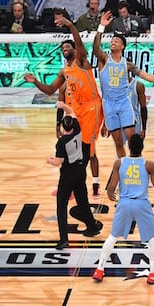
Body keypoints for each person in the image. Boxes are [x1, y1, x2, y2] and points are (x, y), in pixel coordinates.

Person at [25, 13, 104, 196]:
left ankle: (91, 186)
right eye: (63, 47)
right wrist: (35, 81)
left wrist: (69, 24)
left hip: (92, 107)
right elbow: (50, 90)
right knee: (73, 147)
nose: (65, 49)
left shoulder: (81, 61)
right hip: (76, 109)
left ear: (75, 50)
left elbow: (79, 43)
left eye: (68, 46)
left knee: (87, 151)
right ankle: (72, 188)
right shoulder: (64, 71)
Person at [91, 134, 154, 284]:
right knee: (152, 238)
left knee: (113, 236)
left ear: (128, 147)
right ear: (142, 147)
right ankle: (153, 272)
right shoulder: (149, 165)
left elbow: (111, 188)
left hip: (124, 203)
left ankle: (100, 268)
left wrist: (110, 194)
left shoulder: (119, 163)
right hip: (141, 204)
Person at [95, 11, 154, 158]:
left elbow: (146, 76)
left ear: (123, 47)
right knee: (118, 143)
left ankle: (136, 166)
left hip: (124, 103)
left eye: (116, 41)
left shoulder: (128, 64)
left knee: (132, 141)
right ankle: (124, 167)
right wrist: (101, 27)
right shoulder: (104, 59)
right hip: (109, 104)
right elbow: (95, 49)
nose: (113, 42)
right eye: (112, 40)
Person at [47, 102, 103, 249]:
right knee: (82, 200)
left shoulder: (61, 143)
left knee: (61, 205)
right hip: (80, 171)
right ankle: (92, 227)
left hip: (68, 174)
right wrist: (62, 105)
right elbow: (71, 111)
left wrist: (49, 160)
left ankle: (64, 239)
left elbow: (58, 162)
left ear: (62, 127)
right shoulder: (77, 129)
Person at [57, 82, 102, 197]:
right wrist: (58, 126)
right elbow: (60, 106)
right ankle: (71, 186)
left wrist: (104, 122)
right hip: (72, 124)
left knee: (91, 154)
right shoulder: (64, 86)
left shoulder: (84, 84)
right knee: (69, 157)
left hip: (86, 119)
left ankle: (95, 185)